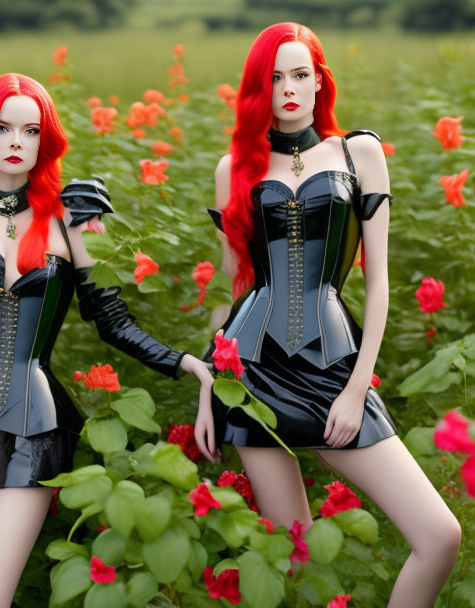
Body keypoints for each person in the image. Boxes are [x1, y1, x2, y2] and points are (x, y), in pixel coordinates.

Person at [0, 73, 214, 608]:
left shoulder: (72, 223)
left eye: (31, 129)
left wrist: (188, 364)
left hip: (33, 421)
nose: (17, 141)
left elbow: (111, 319)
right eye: (3, 128)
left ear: (46, 140)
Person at [197, 23, 461, 606]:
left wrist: (356, 385)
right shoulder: (233, 170)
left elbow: (379, 282)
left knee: (440, 536)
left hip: (336, 367)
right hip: (250, 374)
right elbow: (231, 287)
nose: (288, 88)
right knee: (292, 562)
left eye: (300, 74)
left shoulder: (357, 152)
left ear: (320, 81)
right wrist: (206, 389)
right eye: (274, 78)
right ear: (257, 90)